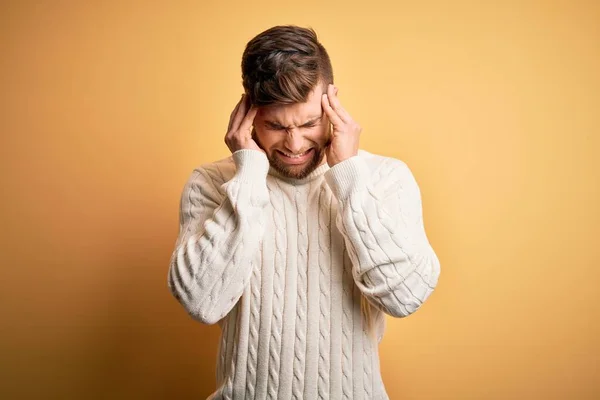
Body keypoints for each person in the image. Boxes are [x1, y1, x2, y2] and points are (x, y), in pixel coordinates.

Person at [168, 25, 441, 400]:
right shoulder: (214, 183)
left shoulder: (383, 178)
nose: (294, 144)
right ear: (247, 114)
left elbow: (404, 297)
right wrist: (248, 174)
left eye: (309, 123)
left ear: (332, 102)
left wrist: (348, 178)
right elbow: (202, 302)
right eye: (275, 126)